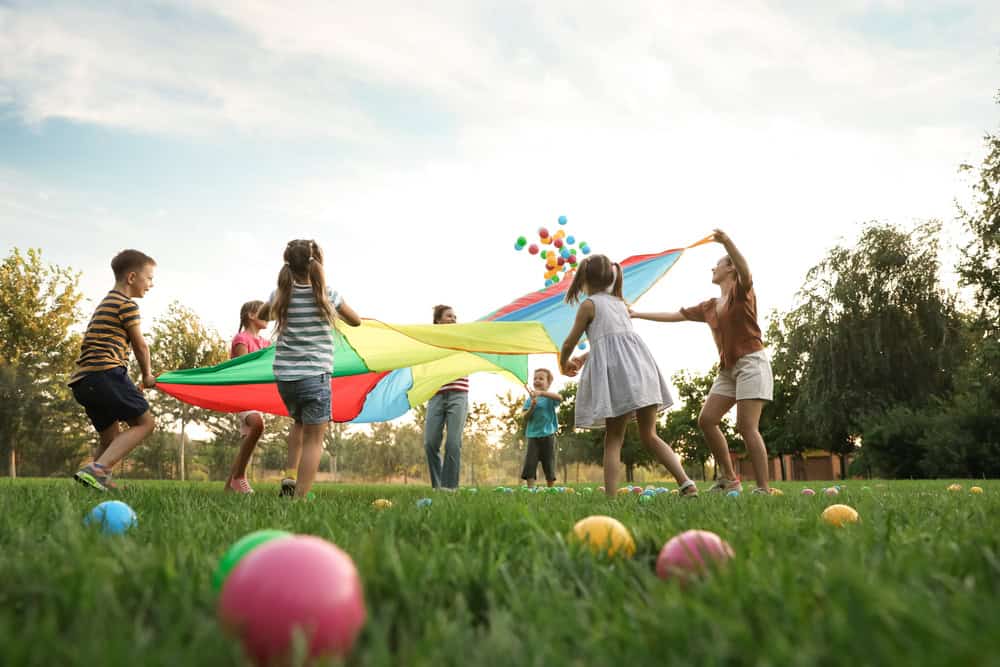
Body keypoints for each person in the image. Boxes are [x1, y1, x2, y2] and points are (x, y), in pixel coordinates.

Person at [630, 229, 774, 494]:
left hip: (752, 363)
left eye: (717, 265)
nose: (712, 268)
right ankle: (729, 479)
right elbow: (677, 315)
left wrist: (727, 242)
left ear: (729, 269)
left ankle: (764, 487)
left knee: (746, 426)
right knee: (707, 420)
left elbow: (746, 271)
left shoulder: (741, 292)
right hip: (728, 369)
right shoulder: (709, 305)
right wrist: (637, 314)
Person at [559, 254, 698, 498]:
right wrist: (585, 357)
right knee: (650, 435)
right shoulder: (621, 304)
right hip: (642, 371)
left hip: (619, 378)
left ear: (584, 279)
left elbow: (571, 341)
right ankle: (686, 483)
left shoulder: (589, 305)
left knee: (614, 438)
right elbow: (614, 342)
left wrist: (563, 363)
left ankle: (611, 499)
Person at [257, 239, 361, 498]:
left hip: (285, 379)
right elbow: (356, 321)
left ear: (288, 265)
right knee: (315, 440)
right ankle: (300, 499)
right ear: (317, 264)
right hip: (315, 376)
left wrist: (277, 300)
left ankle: (290, 477)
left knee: (299, 423)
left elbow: (262, 314)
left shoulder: (281, 295)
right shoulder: (328, 295)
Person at [71, 249, 158, 491]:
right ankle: (97, 470)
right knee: (145, 423)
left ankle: (92, 482)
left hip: (84, 380)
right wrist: (147, 375)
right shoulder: (127, 305)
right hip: (104, 374)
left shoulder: (106, 302)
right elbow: (140, 345)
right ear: (131, 278)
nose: (152, 284)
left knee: (110, 439)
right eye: (149, 278)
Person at [224, 300, 271, 494]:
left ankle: (229, 486)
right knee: (258, 424)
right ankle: (240, 477)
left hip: (256, 397)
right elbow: (243, 369)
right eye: (264, 312)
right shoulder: (241, 339)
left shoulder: (266, 343)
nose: (268, 315)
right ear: (251, 315)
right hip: (242, 394)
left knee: (248, 439)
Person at [423, 304, 468, 490]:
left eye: (455, 317)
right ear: (438, 321)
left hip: (458, 394)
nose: (453, 319)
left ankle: (450, 489)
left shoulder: (463, 339)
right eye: (449, 316)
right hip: (436, 395)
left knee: (453, 443)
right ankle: (438, 485)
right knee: (430, 442)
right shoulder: (430, 343)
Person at [520, 368, 562, 488]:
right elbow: (525, 417)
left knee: (549, 463)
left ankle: (550, 488)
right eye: (535, 378)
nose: (537, 380)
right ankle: (530, 489)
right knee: (530, 463)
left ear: (548, 383)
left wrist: (542, 393)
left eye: (541, 378)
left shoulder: (550, 398)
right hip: (533, 436)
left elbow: (560, 398)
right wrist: (531, 407)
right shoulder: (529, 400)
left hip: (548, 436)